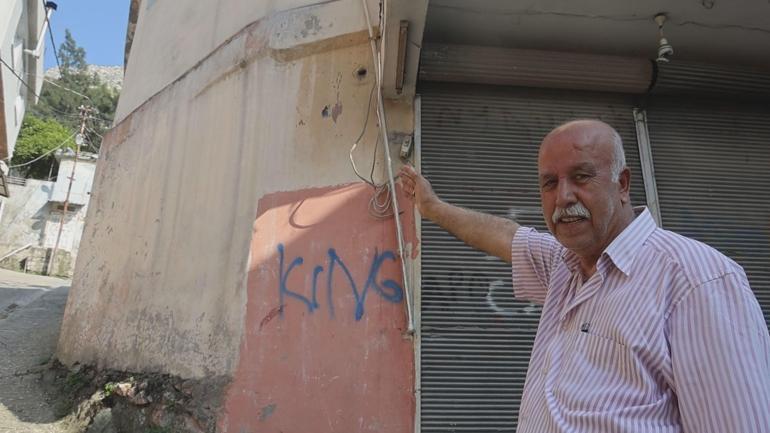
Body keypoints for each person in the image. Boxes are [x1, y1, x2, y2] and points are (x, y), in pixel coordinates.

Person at [399, 119, 770, 433]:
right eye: (549, 183)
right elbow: (505, 236)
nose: (563, 197)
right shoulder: (565, 265)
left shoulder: (697, 280)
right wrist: (433, 208)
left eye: (581, 176)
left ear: (622, 184)